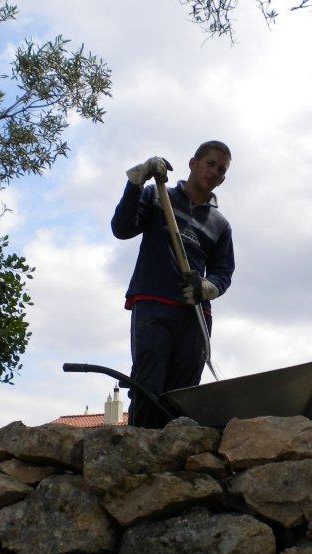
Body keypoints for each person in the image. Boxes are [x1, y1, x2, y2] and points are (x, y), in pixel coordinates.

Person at [111, 140, 234, 427]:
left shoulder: (220, 225)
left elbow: (223, 272)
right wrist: (136, 182)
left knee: (184, 391)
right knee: (148, 382)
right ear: (193, 163)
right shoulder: (157, 196)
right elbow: (122, 228)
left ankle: (174, 456)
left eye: (221, 169)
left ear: (224, 179)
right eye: (210, 163)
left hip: (194, 314)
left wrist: (206, 287)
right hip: (154, 303)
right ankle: (140, 447)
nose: (214, 171)